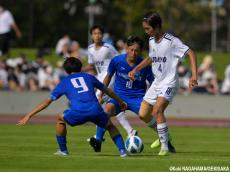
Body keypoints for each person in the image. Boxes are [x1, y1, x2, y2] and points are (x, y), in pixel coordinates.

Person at [17, 57, 128, 157]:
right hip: (95, 110)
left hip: (78, 112)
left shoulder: (64, 82)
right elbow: (108, 90)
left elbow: (47, 102)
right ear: (80, 68)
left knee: (60, 119)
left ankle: (63, 151)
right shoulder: (89, 77)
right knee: (110, 126)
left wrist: (29, 115)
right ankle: (123, 151)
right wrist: (120, 101)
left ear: (66, 70)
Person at [89, 36, 175, 153]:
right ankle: (98, 140)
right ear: (126, 48)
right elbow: (108, 77)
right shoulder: (117, 61)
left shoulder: (145, 66)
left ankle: (166, 139)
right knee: (106, 110)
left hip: (137, 97)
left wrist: (157, 98)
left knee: (144, 115)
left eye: (137, 51)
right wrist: (101, 93)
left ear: (141, 51)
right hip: (119, 97)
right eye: (131, 50)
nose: (134, 53)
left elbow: (153, 82)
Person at [128, 11, 198, 156]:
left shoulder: (172, 41)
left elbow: (191, 53)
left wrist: (194, 75)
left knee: (157, 110)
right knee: (143, 114)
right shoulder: (152, 40)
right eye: (145, 29)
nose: (146, 32)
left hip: (169, 83)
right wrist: (136, 69)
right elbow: (151, 58)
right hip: (157, 82)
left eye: (148, 29)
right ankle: (164, 135)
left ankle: (165, 148)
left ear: (158, 26)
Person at [82, 25, 137, 138]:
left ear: (102, 35)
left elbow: (120, 59)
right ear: (91, 35)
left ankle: (98, 137)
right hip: (99, 78)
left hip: (110, 78)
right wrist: (79, 69)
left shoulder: (108, 48)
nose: (97, 35)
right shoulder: (90, 49)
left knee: (97, 102)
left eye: (99, 33)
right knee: (112, 106)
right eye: (95, 33)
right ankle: (130, 131)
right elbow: (91, 65)